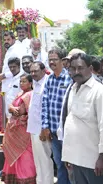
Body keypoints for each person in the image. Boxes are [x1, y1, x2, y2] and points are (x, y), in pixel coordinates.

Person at [60, 52, 103, 184]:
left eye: (80, 68)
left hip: (94, 161)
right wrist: (68, 155)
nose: (76, 71)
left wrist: (102, 157)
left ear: (90, 68)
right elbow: (71, 121)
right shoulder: (73, 88)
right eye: (73, 68)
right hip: (76, 159)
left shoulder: (100, 91)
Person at [40, 48, 72, 184]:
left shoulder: (70, 78)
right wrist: (45, 126)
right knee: (59, 164)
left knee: (70, 165)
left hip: (68, 133)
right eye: (50, 59)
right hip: (53, 132)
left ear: (63, 61)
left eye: (55, 59)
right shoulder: (49, 79)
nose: (52, 62)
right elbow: (45, 104)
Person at [1, 73, 37, 184]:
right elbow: (11, 106)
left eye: (24, 81)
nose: (21, 84)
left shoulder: (30, 94)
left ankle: (26, 179)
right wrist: (12, 108)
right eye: (20, 81)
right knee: (13, 154)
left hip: (23, 130)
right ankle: (14, 179)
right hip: (14, 128)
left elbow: (22, 111)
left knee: (25, 155)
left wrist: (13, 109)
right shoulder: (21, 93)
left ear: (30, 83)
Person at [27, 62, 53, 184]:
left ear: (43, 70)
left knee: (45, 159)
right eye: (31, 71)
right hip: (33, 128)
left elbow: (47, 108)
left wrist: (45, 128)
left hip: (42, 129)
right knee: (38, 160)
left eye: (35, 71)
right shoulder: (35, 84)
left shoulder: (47, 83)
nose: (33, 74)